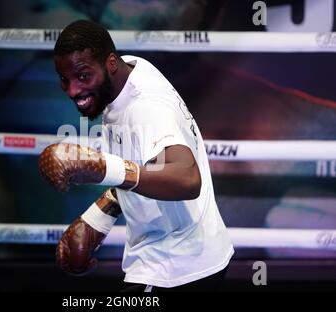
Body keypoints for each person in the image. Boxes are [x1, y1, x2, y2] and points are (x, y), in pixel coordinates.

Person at [39, 19, 234, 292]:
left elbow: (188, 179)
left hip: (175, 266)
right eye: (65, 79)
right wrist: (99, 215)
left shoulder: (146, 107)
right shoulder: (126, 73)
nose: (73, 91)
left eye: (83, 76)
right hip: (187, 255)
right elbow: (146, 167)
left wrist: (102, 167)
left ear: (110, 64)